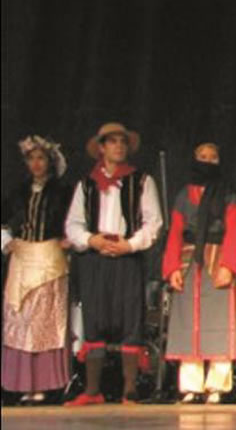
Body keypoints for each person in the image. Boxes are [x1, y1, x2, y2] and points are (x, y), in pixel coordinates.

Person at [64, 123, 164, 405]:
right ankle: (92, 390)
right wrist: (91, 240)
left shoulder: (141, 181)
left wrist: (129, 244)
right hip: (95, 260)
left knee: (130, 320)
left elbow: (154, 222)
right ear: (102, 148)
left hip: (127, 258)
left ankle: (129, 389)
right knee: (94, 320)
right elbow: (73, 224)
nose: (118, 146)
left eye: (122, 142)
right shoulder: (87, 184)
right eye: (112, 141)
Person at [161, 143, 236, 404]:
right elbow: (175, 232)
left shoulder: (227, 194)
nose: (207, 161)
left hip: (217, 259)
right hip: (188, 261)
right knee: (188, 320)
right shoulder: (183, 195)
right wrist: (172, 268)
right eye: (202, 157)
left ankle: (217, 385)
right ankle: (191, 385)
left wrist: (229, 265)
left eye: (213, 157)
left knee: (218, 320)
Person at [1, 136, 72, 404]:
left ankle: (44, 384)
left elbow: (75, 222)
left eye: (41, 158)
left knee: (45, 322)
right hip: (22, 259)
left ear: (50, 162)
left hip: (50, 259)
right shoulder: (18, 192)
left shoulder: (62, 192)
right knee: (21, 319)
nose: (36, 163)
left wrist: (69, 240)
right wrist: (6, 242)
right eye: (31, 159)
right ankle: (21, 385)